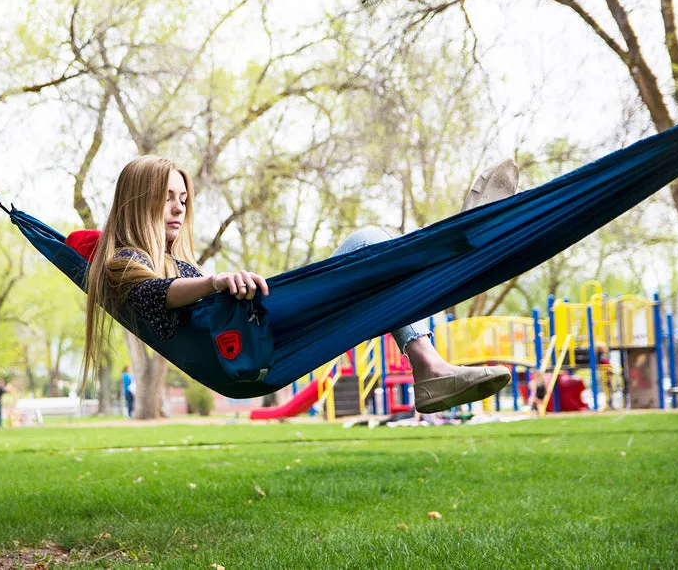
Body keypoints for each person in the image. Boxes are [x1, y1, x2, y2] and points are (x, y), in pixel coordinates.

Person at [83, 155, 517, 414]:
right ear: (139, 201)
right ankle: (457, 239)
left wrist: (214, 283)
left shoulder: (179, 264)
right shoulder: (125, 262)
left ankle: (430, 361)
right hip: (255, 346)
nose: (177, 209)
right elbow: (154, 294)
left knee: (373, 250)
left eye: (183, 199)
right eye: (165, 198)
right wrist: (215, 282)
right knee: (370, 246)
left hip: (268, 328)